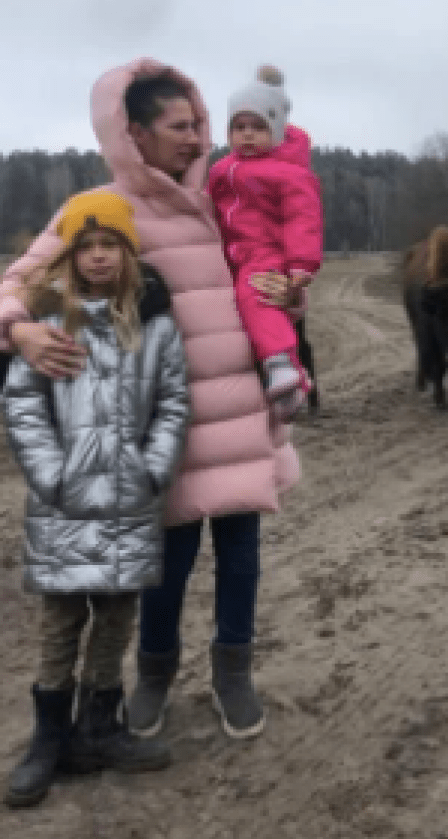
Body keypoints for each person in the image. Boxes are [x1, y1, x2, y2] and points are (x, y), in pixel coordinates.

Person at [0, 59, 304, 744]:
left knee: (241, 551)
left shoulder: (223, 202)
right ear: (134, 132)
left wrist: (291, 294)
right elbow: (15, 281)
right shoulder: (102, 214)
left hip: (239, 414)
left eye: (200, 124)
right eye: (180, 127)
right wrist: (18, 330)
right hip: (163, 427)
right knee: (164, 562)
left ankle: (234, 672)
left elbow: (265, 271)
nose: (199, 138)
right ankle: (156, 676)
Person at [2, 190, 189, 807]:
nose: (99, 258)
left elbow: (172, 404)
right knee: (61, 619)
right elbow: (23, 404)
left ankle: (99, 728)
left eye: (110, 245)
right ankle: (49, 739)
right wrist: (51, 474)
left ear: (128, 253)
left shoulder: (155, 326)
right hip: (63, 499)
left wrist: (153, 468)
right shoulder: (50, 320)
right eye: (87, 248)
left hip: (132, 498)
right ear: (71, 256)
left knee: (115, 616)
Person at [209, 65, 323, 422]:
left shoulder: (288, 172)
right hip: (233, 256)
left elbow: (302, 218)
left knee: (255, 296)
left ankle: (280, 364)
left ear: (276, 132)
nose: (247, 135)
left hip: (265, 255)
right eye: (239, 127)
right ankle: (292, 382)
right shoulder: (221, 169)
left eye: (258, 128)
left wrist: (301, 265)